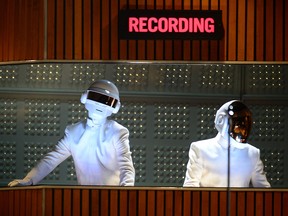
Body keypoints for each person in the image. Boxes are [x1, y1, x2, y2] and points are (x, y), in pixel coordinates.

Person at [8, 80, 135, 186]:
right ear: (85, 98)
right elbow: (51, 160)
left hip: (114, 200)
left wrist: (126, 195)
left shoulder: (118, 132)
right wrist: (28, 180)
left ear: (115, 108)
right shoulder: (73, 132)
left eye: (107, 101)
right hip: (83, 200)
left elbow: (127, 168)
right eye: (96, 97)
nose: (100, 104)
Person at [183, 100, 270, 187]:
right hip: (207, 200)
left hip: (240, 201)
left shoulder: (253, 153)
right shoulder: (200, 149)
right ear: (221, 120)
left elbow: (265, 192)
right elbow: (190, 188)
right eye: (238, 124)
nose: (241, 130)